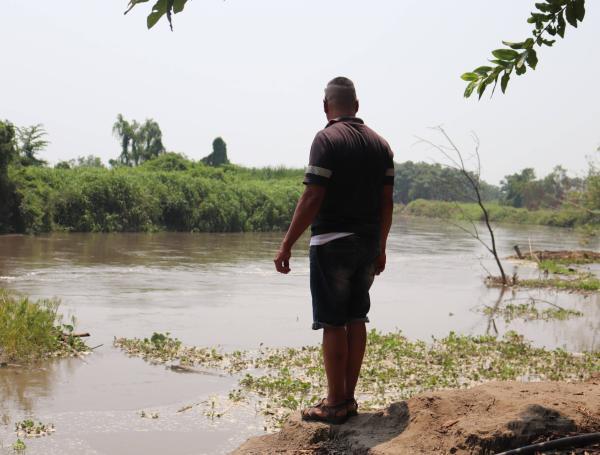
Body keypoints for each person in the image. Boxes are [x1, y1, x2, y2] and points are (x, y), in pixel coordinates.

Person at [273, 76, 395, 424]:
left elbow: (313, 195)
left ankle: (333, 403)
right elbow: (387, 203)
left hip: (332, 244)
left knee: (332, 322)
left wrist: (286, 245)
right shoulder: (381, 145)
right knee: (356, 318)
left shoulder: (326, 139)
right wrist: (381, 247)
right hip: (368, 244)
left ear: (326, 106)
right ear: (356, 106)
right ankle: (348, 399)